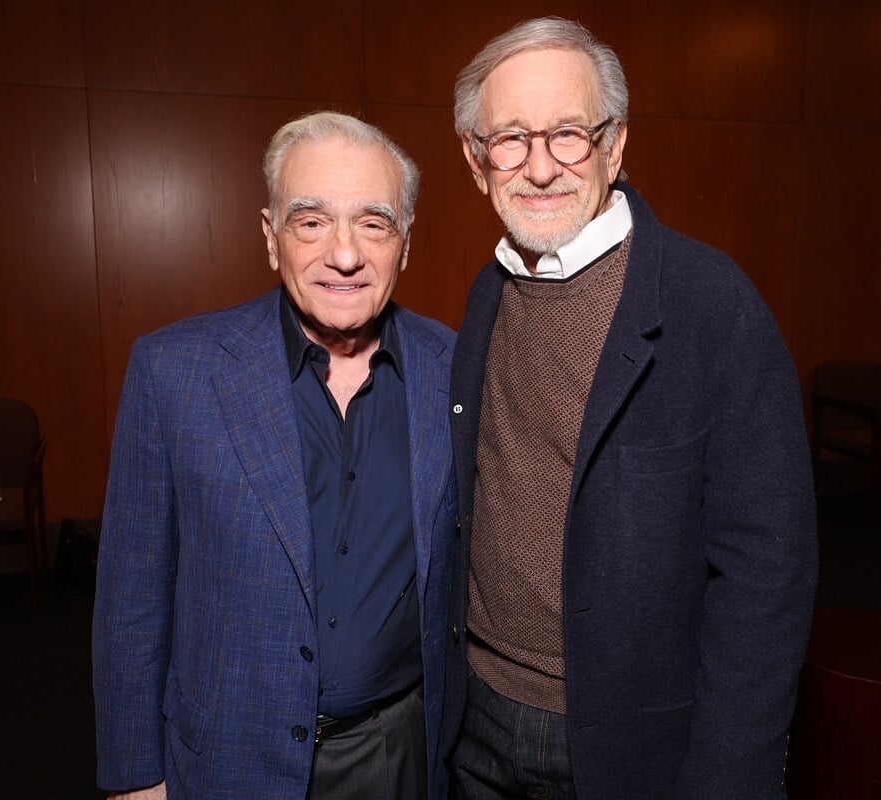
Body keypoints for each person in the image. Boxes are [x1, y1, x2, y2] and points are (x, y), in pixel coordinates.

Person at [443, 17, 818, 800]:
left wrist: (728, 776)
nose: (539, 166)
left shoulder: (713, 306)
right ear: (477, 164)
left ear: (615, 146)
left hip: (633, 745)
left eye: (569, 134)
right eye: (509, 138)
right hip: (475, 721)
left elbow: (767, 574)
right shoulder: (487, 293)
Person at [92, 112, 457, 800]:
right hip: (227, 757)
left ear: (405, 245)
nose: (344, 254)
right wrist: (134, 777)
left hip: (397, 757)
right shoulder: (174, 372)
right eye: (311, 221)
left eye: (374, 224)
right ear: (271, 236)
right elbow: (130, 600)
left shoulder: (458, 373)